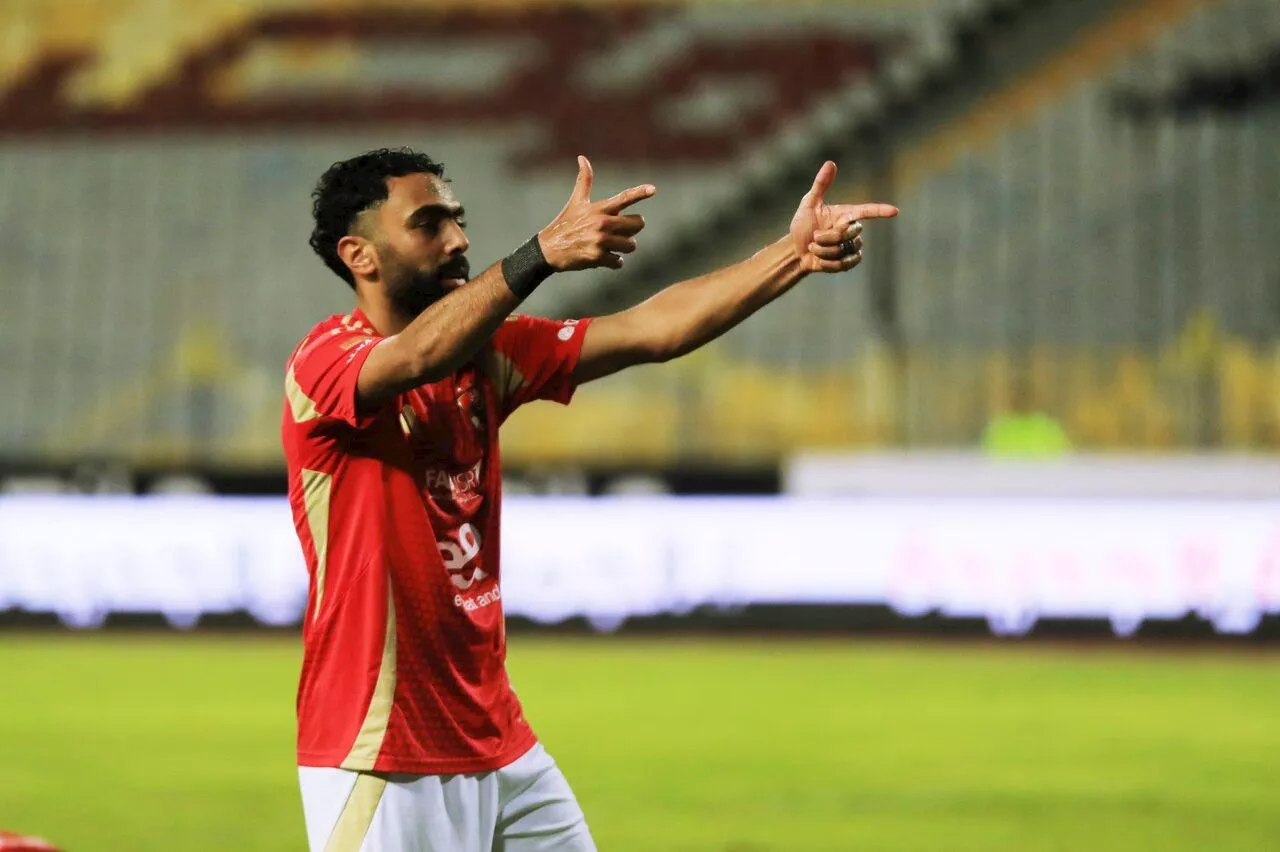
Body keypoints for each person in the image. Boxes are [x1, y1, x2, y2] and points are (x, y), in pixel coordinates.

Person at [283, 147, 897, 852]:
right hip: (383, 744)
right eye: (428, 224)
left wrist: (792, 256)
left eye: (457, 219)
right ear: (359, 255)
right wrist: (540, 254)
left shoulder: (488, 356)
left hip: (495, 737)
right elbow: (416, 357)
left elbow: (651, 329)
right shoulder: (325, 362)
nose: (457, 239)